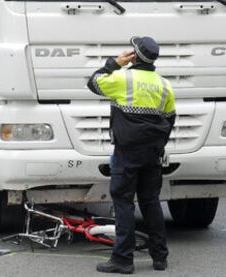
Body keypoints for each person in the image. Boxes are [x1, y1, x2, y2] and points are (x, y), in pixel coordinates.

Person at [87, 36, 176, 274]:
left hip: (127, 153)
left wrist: (115, 62)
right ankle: (160, 258)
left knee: (124, 203)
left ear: (134, 56)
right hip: (152, 154)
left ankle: (123, 260)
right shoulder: (165, 85)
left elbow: (93, 82)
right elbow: (170, 120)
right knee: (151, 202)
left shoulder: (121, 78)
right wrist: (157, 147)